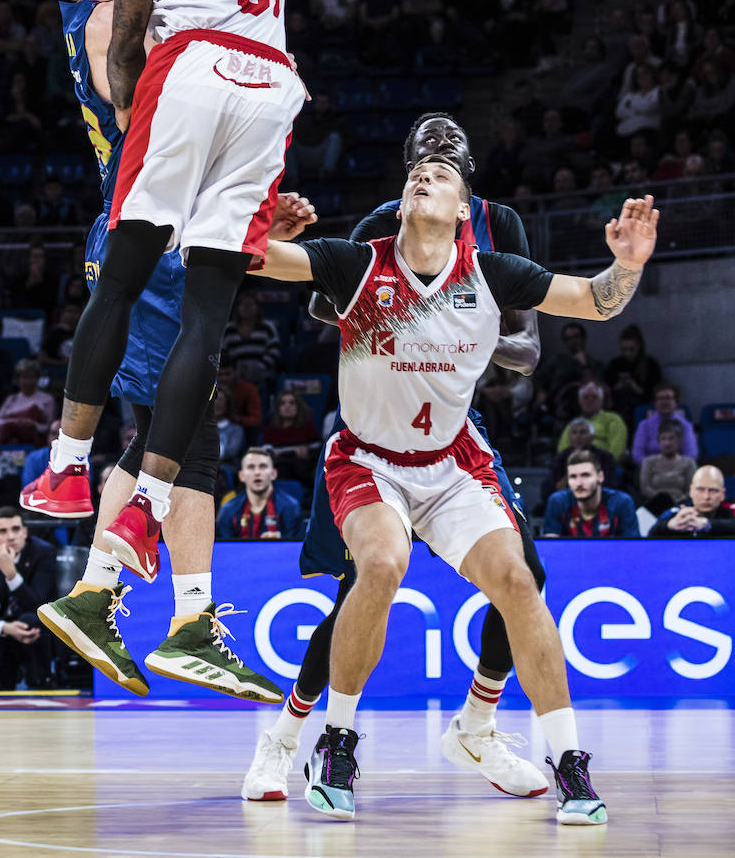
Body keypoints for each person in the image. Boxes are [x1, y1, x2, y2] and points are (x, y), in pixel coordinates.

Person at [11, 0, 303, 704]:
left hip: (190, 179)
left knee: (195, 421)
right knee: (163, 423)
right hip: (156, 198)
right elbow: (143, 107)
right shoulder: (98, 18)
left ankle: (178, 614)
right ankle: (105, 576)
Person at [249, 155, 657, 822]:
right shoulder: (358, 263)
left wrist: (629, 266)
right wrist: (269, 227)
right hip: (368, 460)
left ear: (464, 209)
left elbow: (592, 300)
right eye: (414, 173)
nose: (422, 176)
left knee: (520, 580)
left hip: (451, 463)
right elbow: (251, 261)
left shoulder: (491, 275)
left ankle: (569, 762)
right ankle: (338, 740)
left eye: (439, 174)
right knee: (380, 566)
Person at [244, 113, 548, 806]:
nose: (436, 155)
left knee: (526, 574)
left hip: (452, 430)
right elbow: (328, 302)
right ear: (407, 165)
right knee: (361, 588)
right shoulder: (389, 219)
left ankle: (478, 725)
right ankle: (284, 739)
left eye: (450, 148)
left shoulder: (500, 227)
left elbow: (527, 351)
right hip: (374, 426)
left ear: (468, 170)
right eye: (423, 149)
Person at [0, 507, 57, 689]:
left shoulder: (44, 553)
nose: (10, 537)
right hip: (6, 629)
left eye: (16, 529)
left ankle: (41, 680)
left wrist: (11, 575)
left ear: (25, 532)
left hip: (39, 628)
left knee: (29, 620)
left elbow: (38, 605)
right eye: (3, 531)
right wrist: (5, 628)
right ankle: (7, 677)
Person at [543, 450, 639, 538]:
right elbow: (550, 549)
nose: (579, 483)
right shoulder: (558, 502)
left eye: (585, 475)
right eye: (573, 477)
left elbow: (632, 549)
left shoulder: (621, 503)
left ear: (600, 477)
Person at [216, 448, 305, 540]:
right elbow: (226, 549)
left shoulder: (291, 507)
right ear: (241, 476)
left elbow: (293, 548)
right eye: (251, 467)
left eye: (263, 466)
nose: (257, 473)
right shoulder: (228, 510)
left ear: (273, 474)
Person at [648, 465, 735, 538]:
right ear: (691, 491)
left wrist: (707, 524)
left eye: (713, 490)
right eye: (700, 489)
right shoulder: (677, 511)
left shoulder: (733, 509)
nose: (706, 496)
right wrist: (669, 525)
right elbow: (650, 536)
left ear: (723, 494)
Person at [557, 381, 628, 465]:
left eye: (594, 397)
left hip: (603, 465)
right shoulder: (574, 424)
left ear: (601, 400)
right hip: (573, 465)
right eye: (585, 397)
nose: (590, 400)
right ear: (580, 401)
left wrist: (601, 464)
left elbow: (617, 450)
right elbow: (562, 449)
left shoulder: (614, 419)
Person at [261, 390, 319, 485]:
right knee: (282, 467)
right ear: (278, 408)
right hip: (280, 466)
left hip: (303, 465)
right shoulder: (270, 429)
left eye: (292, 403)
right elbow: (267, 451)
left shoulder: (308, 427)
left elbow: (316, 447)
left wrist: (306, 450)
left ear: (298, 407)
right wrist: (292, 450)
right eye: (283, 403)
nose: (287, 406)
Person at [631, 381, 698, 463]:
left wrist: (673, 467)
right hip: (651, 470)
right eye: (660, 398)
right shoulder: (644, 425)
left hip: (679, 469)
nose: (664, 402)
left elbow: (691, 454)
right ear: (654, 402)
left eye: (668, 398)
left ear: (676, 402)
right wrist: (658, 467)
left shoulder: (686, 425)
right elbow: (637, 455)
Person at [638, 421, 696, 515]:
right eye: (663, 439)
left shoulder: (689, 463)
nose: (667, 443)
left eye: (671, 438)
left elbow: (692, 489)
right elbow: (645, 488)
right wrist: (663, 501)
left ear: (679, 441)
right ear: (658, 441)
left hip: (681, 506)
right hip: (654, 506)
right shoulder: (648, 462)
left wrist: (677, 501)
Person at [0, 360, 56, 445]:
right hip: (9, 441)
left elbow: (50, 427)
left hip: (34, 441)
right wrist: (16, 422)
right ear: (18, 379)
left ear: (37, 379)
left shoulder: (48, 399)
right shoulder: (11, 399)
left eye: (31, 377)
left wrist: (34, 425)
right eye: (25, 377)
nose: (28, 382)